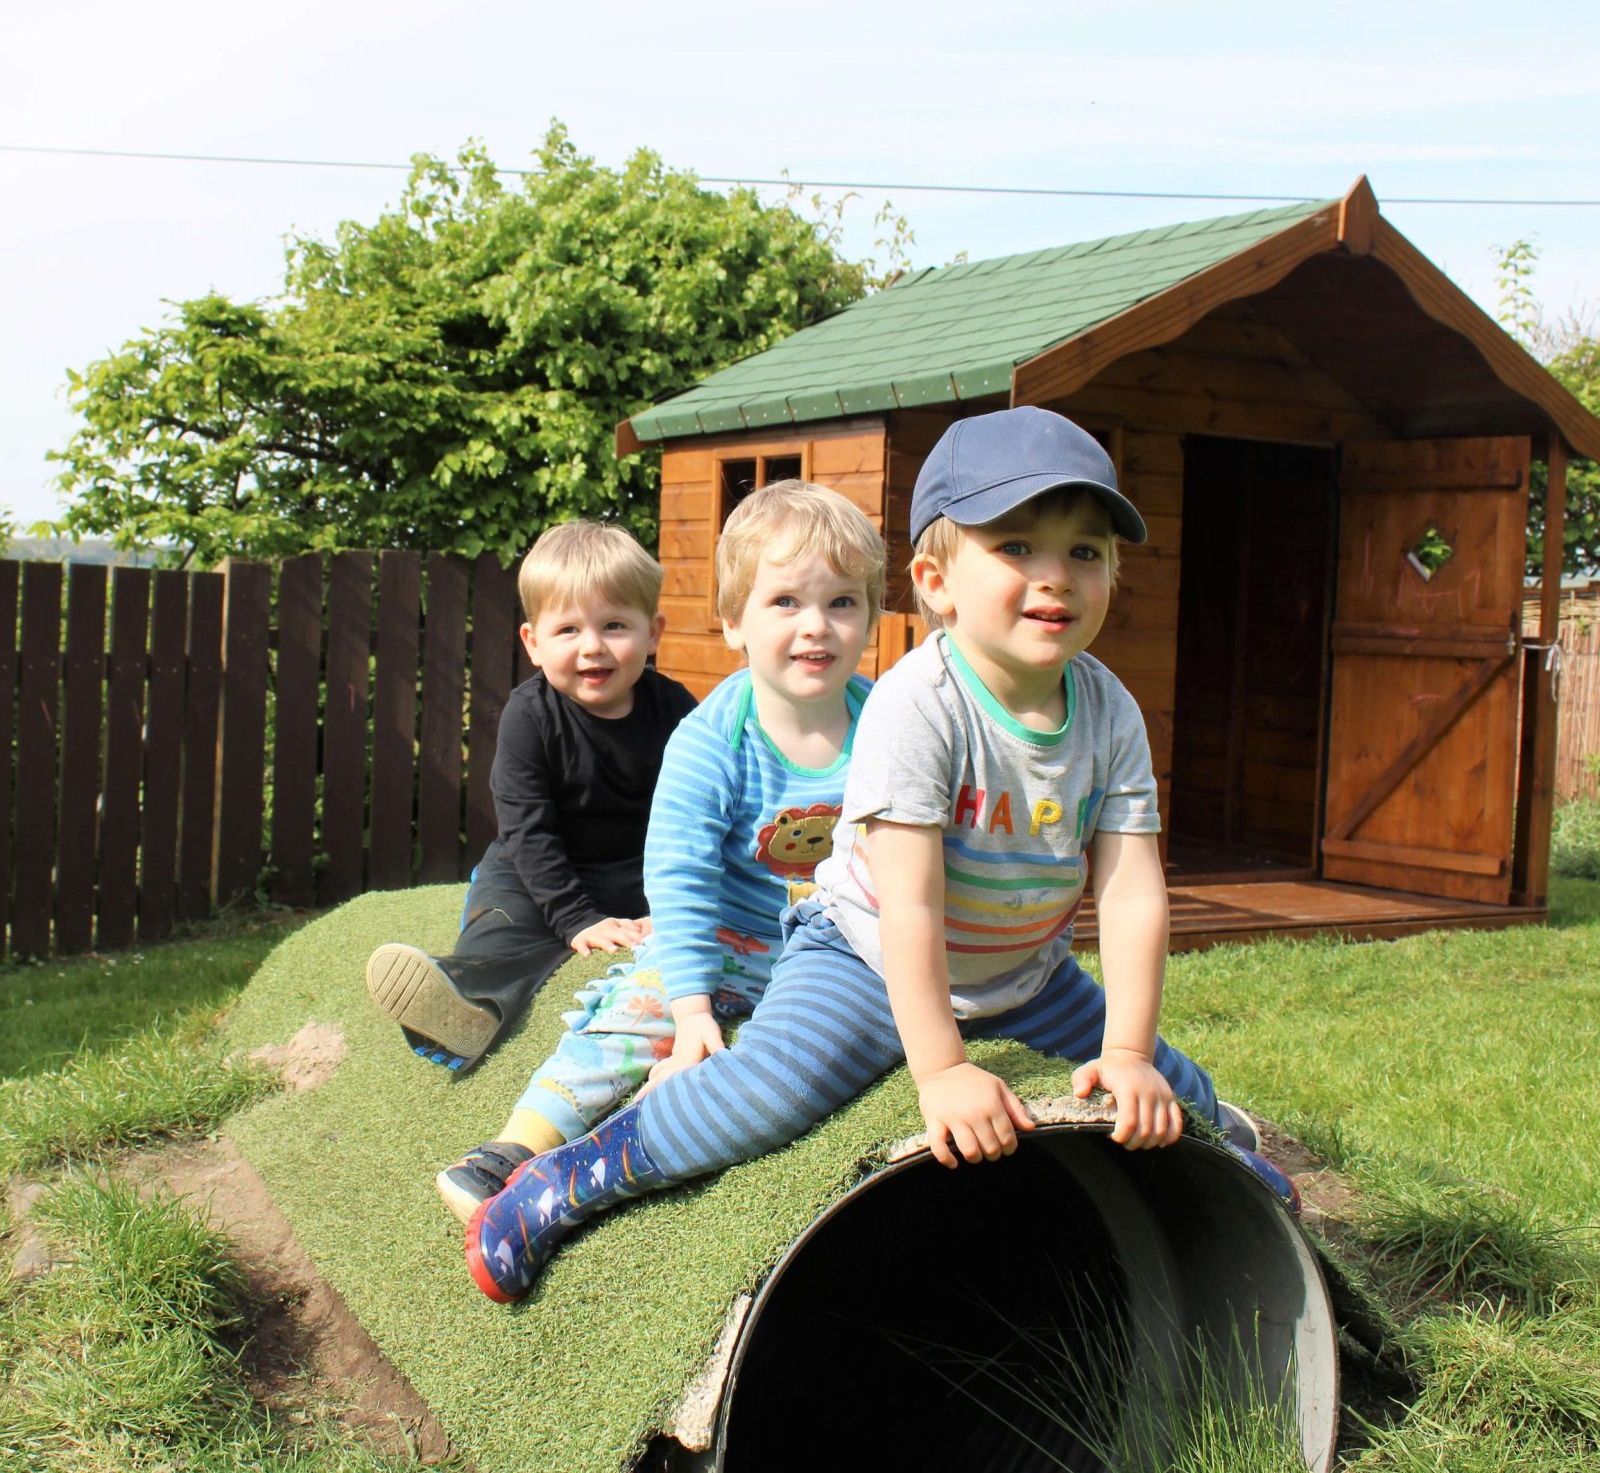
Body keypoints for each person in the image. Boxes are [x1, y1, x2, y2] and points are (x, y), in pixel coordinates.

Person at [467, 406, 1295, 1303]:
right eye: (1016, 548)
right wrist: (940, 1070)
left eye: (1085, 551)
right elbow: (911, 906)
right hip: (863, 955)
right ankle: (565, 1180)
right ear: (937, 581)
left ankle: (1232, 1158)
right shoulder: (917, 706)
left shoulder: (1109, 709)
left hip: (1025, 968)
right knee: (765, 1096)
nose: (1055, 576)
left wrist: (1127, 1051)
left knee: (1175, 1083)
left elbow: (1132, 890)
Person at [434, 479, 886, 1222]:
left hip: (835, 947)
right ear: (732, 622)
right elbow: (680, 874)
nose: (817, 627)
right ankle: (516, 1145)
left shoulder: (884, 724)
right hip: (720, 933)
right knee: (630, 1015)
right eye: (786, 603)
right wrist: (692, 1002)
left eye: (842, 602)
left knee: (802, 1053)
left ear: (869, 616)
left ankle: (657, 1116)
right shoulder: (712, 736)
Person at [365, 521, 695, 1082]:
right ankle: (464, 1000)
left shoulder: (677, 711)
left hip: (637, 870)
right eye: (568, 629)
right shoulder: (530, 717)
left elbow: (700, 811)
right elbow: (527, 829)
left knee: (702, 915)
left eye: (615, 624)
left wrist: (675, 901)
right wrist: (576, 919)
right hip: (531, 869)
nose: (593, 646)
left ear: (653, 632)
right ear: (533, 643)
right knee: (506, 930)